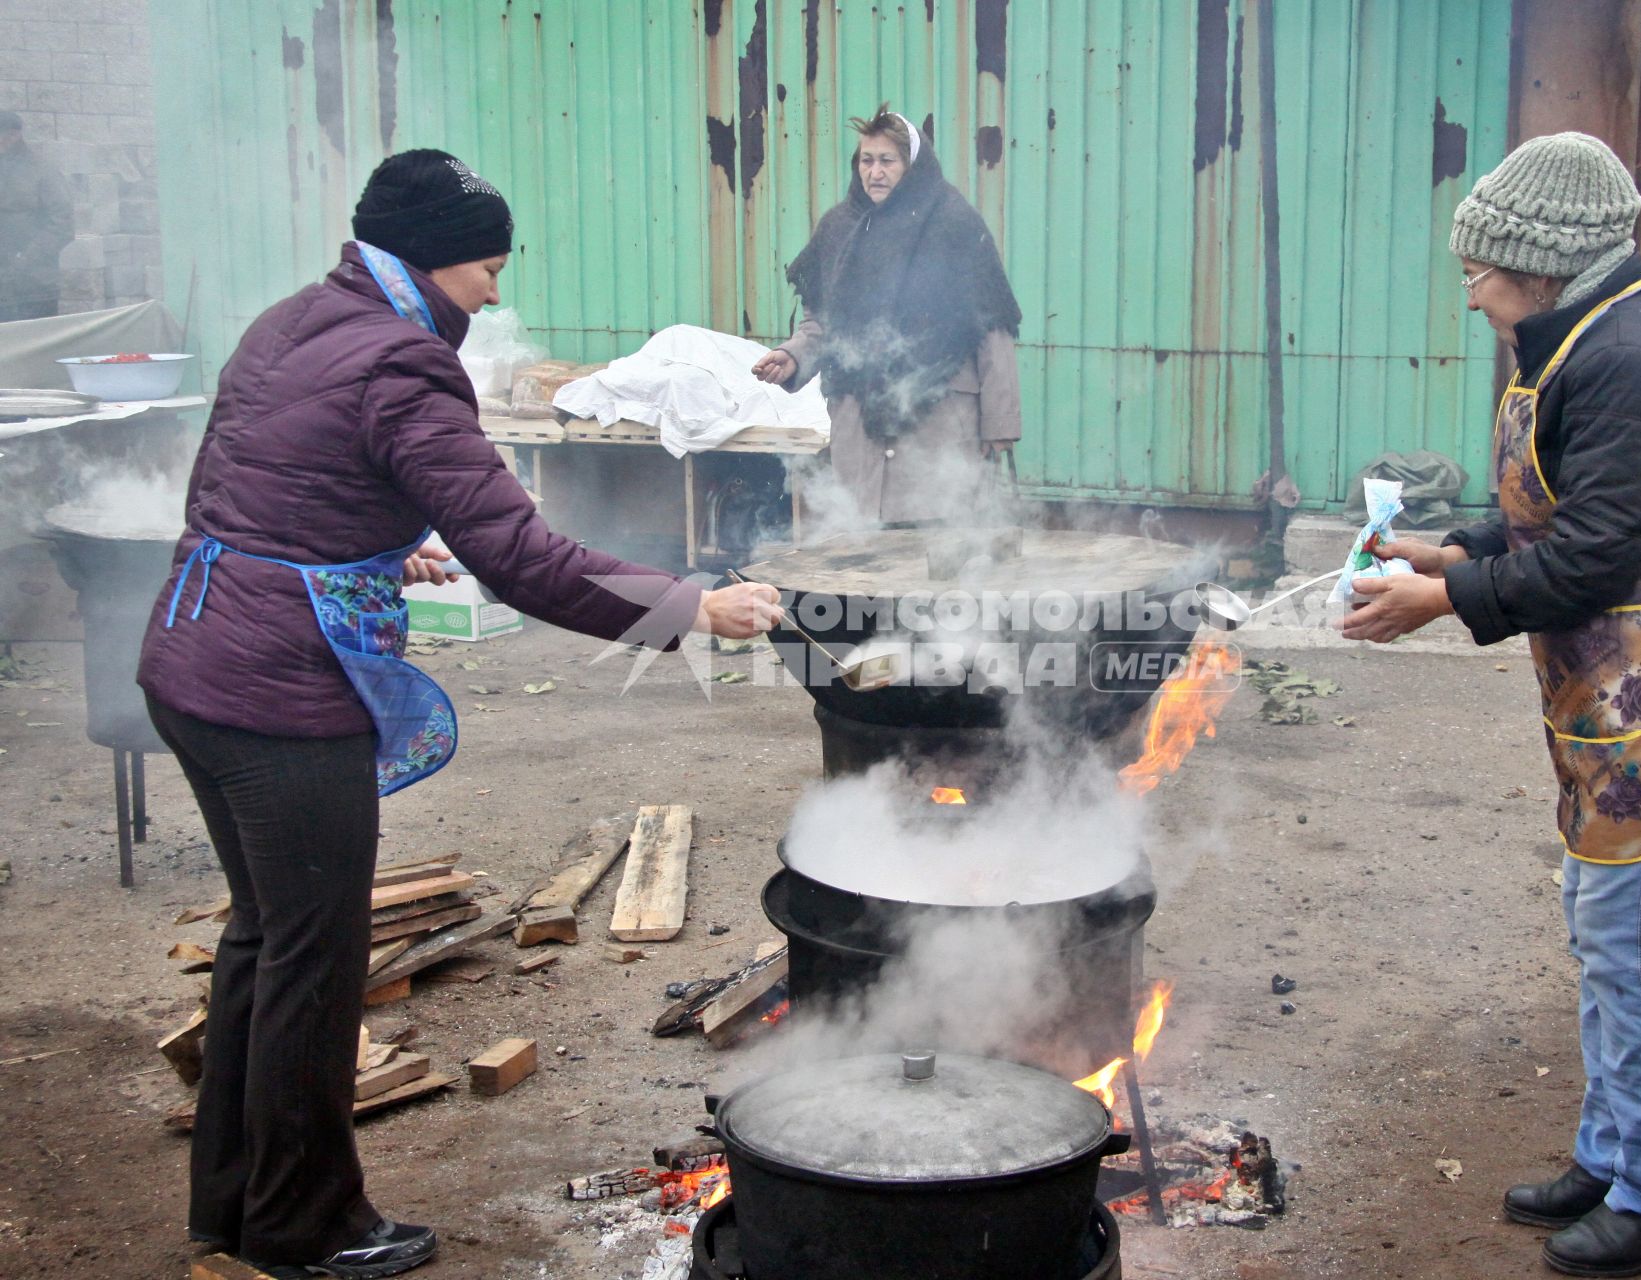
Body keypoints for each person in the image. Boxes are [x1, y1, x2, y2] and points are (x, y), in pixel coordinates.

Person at [136, 149, 780, 1278]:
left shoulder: (294, 320)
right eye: (486, 266)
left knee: (264, 939)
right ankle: (308, 1228)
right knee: (312, 962)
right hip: (280, 694)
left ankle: (236, 1206)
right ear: (430, 257)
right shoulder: (402, 363)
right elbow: (524, 557)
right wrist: (690, 604)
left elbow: (263, 488)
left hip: (194, 659)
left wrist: (382, 537)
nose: (493, 293)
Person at [1340, 132, 1641, 1277]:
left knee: (1633, 944)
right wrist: (1453, 547)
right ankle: (1616, 1151)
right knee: (1607, 930)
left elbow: (1591, 554)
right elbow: (1557, 507)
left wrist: (1444, 601)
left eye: (1483, 263)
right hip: (1621, 692)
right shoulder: (1582, 335)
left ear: (1543, 264)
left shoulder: (1628, 357)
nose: (1470, 283)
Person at [751, 105, 1022, 525]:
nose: (874, 172)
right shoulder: (840, 227)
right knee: (864, 539)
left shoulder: (954, 224)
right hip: (859, 418)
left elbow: (992, 326)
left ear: (912, 166)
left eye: (887, 161)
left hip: (938, 413)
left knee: (935, 538)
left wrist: (1000, 422)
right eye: (866, 160)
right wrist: (793, 356)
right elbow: (822, 321)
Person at [0, 111, 74, 322]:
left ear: (14, 135)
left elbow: (62, 223)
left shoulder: (42, 170)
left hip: (34, 286)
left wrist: (26, 259)